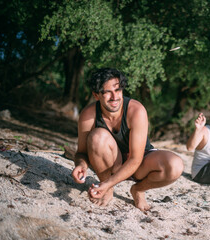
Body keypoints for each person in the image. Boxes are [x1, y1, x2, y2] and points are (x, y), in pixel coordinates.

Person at [71, 68, 184, 211]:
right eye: (107, 92)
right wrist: (81, 165)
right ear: (96, 95)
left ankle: (138, 190)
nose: (114, 97)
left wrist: (108, 183)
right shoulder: (89, 114)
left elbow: (135, 159)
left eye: (117, 90)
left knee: (175, 165)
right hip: (110, 163)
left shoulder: (136, 110)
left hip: (139, 163)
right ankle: (107, 189)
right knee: (97, 136)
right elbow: (81, 153)